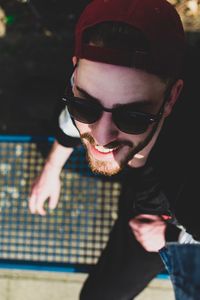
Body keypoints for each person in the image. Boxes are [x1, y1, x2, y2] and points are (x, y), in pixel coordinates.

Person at [28, 0, 200, 299]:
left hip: (161, 222)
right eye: (85, 106)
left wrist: (172, 237)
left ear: (172, 97)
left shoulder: (188, 184)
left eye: (133, 116)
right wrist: (52, 168)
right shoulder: (92, 82)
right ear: (75, 74)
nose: (101, 137)